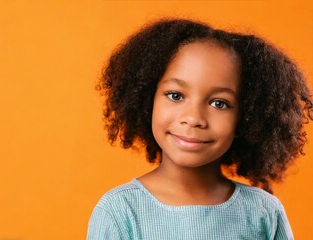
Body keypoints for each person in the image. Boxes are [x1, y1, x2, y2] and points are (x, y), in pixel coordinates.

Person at [87, 18, 312, 239]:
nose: (194, 118)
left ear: (247, 117)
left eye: (219, 103)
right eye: (175, 96)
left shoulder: (263, 213)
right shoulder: (119, 211)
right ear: (147, 100)